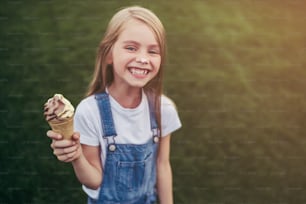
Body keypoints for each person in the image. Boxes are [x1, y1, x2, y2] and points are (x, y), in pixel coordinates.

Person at [47, 6, 182, 204]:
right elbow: (94, 181)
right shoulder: (89, 112)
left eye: (153, 51)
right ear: (108, 55)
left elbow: (162, 165)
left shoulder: (164, 109)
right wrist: (77, 156)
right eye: (131, 48)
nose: (143, 59)